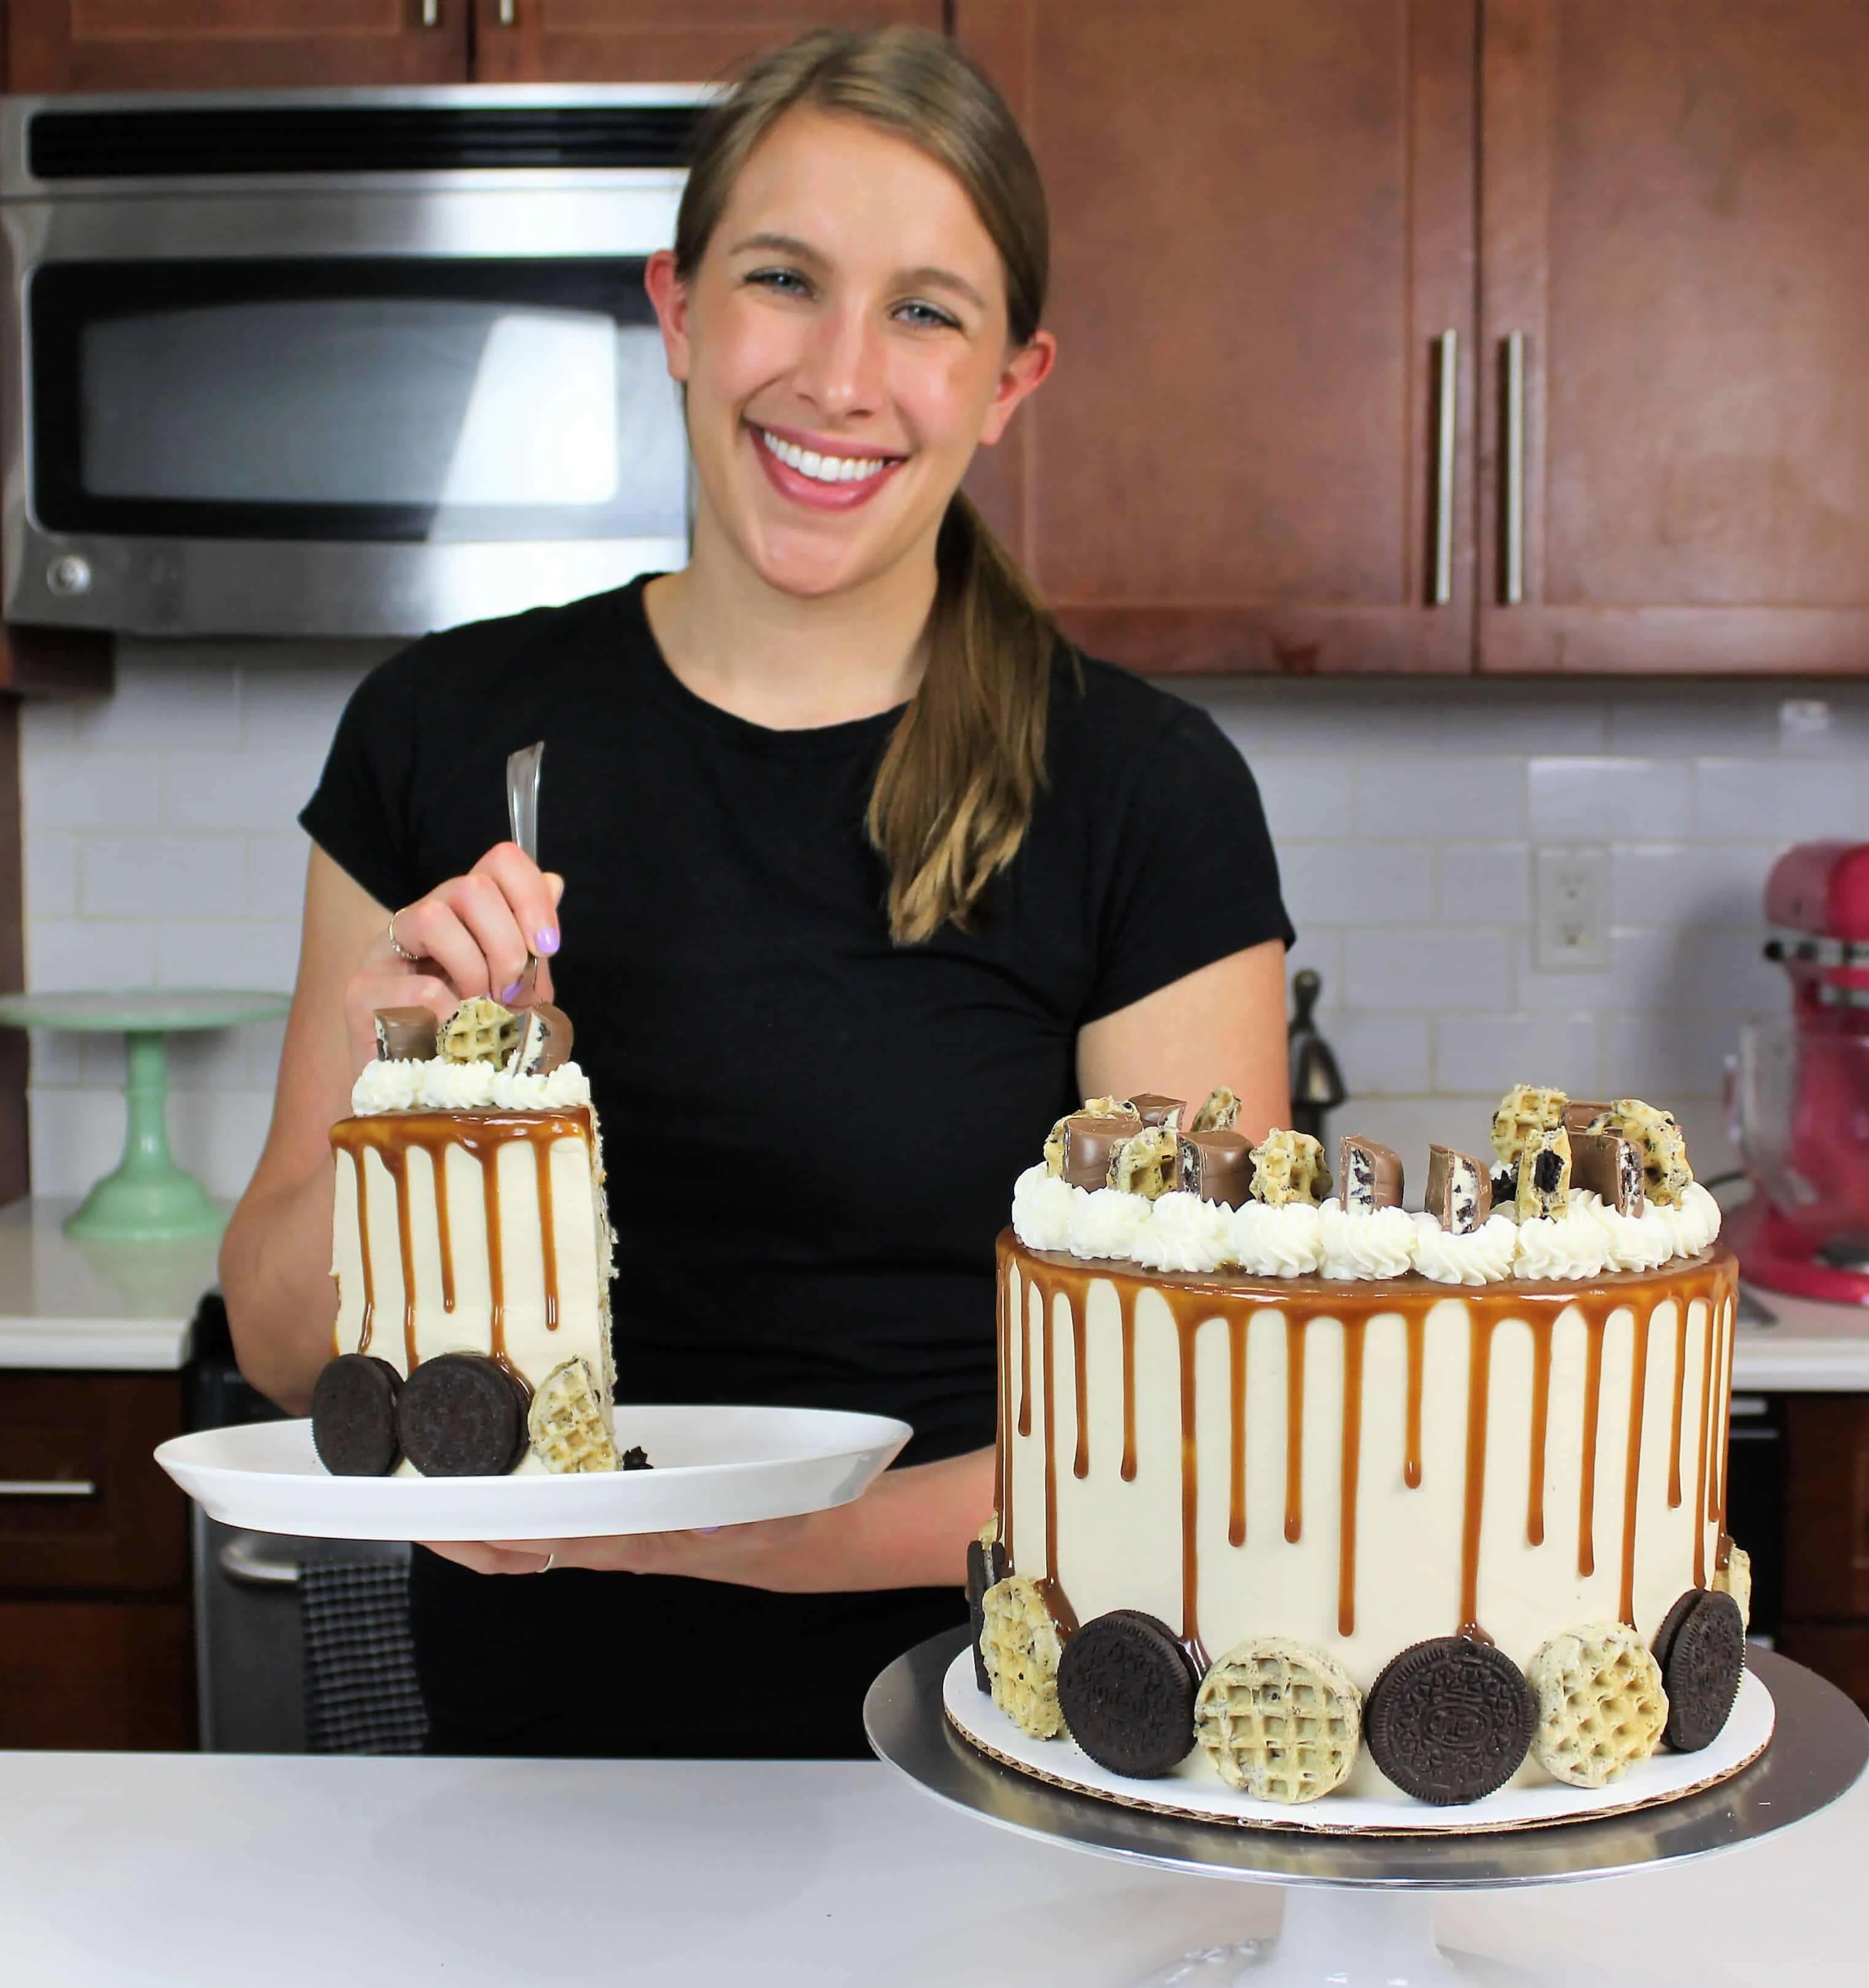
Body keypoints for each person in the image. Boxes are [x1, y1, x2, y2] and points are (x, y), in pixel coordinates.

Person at [220, 26, 1293, 1758]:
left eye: (928, 311)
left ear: (1011, 382)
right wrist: (393, 1112)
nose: (845, 376)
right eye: (785, 279)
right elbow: (283, 1346)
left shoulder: (1142, 798)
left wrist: (715, 1535)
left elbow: (1202, 1417)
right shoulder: (439, 737)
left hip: (986, 1779)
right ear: (679, 311)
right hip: (527, 1788)